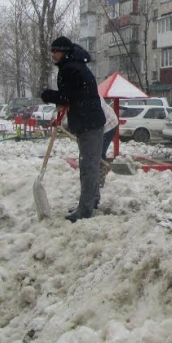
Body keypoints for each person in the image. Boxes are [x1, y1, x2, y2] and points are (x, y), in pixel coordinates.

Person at [41, 36, 106, 222]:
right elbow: (74, 96)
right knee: (89, 164)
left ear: (64, 52)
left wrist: (47, 95)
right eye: (52, 51)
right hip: (88, 122)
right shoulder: (74, 66)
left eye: (56, 51)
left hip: (89, 123)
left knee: (88, 167)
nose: (53, 55)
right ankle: (91, 200)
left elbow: (67, 97)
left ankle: (85, 209)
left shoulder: (70, 69)